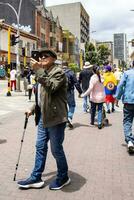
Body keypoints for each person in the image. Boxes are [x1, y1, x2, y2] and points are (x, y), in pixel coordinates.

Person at [17, 49, 70, 190]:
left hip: (56, 118)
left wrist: (38, 70)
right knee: (40, 147)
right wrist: (33, 108)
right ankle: (36, 177)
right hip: (43, 118)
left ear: (53, 58)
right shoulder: (41, 73)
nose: (42, 58)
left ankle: (63, 176)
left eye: (46, 56)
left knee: (56, 149)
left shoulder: (58, 72)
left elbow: (51, 87)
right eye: (40, 56)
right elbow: (42, 97)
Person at [115, 66, 134, 153]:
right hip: (128, 100)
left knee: (127, 121)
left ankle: (130, 141)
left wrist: (117, 98)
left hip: (128, 101)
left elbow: (120, 85)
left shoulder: (127, 73)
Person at [62, 61, 82, 129]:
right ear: (67, 65)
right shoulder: (71, 72)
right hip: (69, 91)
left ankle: (63, 120)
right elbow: (76, 83)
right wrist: (80, 92)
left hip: (60, 93)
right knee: (72, 105)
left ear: (62, 65)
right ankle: (69, 118)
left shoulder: (59, 72)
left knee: (62, 106)